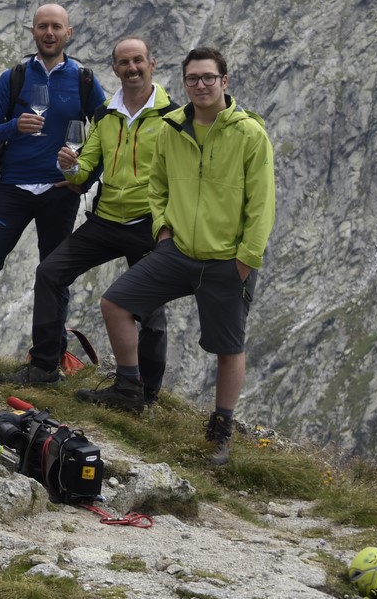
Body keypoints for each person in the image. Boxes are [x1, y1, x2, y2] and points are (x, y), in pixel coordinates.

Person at [77, 47, 275, 468]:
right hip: (178, 250)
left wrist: (245, 260)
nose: (200, 85)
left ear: (225, 81)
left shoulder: (249, 134)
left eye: (208, 77)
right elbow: (158, 184)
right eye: (193, 79)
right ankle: (130, 388)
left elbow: (262, 205)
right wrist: (163, 232)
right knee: (116, 302)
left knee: (228, 346)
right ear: (183, 83)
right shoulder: (172, 128)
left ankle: (220, 429)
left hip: (227, 260)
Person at [0, 4, 106, 378]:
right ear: (32, 31)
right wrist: (14, 126)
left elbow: (113, 134)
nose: (49, 32)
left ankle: (48, 358)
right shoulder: (14, 78)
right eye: (42, 26)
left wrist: (83, 181)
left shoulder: (84, 80)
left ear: (68, 33)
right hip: (12, 187)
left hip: (59, 191)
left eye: (55, 27)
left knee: (54, 274)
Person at [9, 37, 174, 395]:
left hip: (149, 223)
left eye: (138, 61)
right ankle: (44, 367)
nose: (132, 68)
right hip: (106, 219)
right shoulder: (104, 114)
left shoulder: (173, 117)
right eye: (124, 63)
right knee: (50, 273)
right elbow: (85, 172)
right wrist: (69, 167)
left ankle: (145, 393)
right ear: (114, 69)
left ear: (152, 63)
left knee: (151, 311)